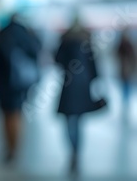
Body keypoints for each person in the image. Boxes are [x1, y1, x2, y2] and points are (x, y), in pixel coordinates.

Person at [54, 15, 106, 174]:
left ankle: (73, 151)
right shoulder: (87, 41)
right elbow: (95, 67)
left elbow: (57, 60)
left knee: (70, 121)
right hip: (83, 86)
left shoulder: (65, 40)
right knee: (79, 121)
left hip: (69, 86)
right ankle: (77, 152)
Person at [0, 13, 41, 163]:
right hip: (21, 83)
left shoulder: (2, 34)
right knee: (17, 114)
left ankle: (9, 146)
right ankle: (15, 146)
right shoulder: (26, 34)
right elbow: (36, 53)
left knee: (6, 115)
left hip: (4, 83)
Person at [116, 27, 136, 123]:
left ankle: (126, 103)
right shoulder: (122, 45)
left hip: (127, 71)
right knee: (125, 88)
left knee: (127, 88)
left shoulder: (128, 45)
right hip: (124, 71)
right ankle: (125, 103)